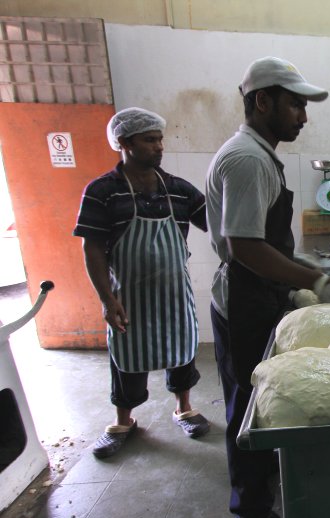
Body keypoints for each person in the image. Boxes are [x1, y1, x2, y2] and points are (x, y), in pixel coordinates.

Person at [205, 56, 330, 518]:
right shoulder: (247, 159)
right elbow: (246, 247)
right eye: (295, 105)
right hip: (244, 298)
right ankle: (251, 511)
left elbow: (264, 240)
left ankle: (266, 480)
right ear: (262, 100)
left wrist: (307, 265)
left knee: (263, 395)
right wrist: (312, 281)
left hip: (261, 292)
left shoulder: (261, 154)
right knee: (248, 409)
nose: (304, 116)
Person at [74, 107, 210, 459]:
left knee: (182, 350)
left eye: (160, 139)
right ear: (123, 143)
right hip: (128, 296)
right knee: (126, 358)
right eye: (150, 140)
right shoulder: (102, 191)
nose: (159, 146)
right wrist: (107, 299)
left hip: (173, 293)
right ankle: (123, 421)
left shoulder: (179, 190)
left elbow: (217, 222)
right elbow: (93, 250)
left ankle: (184, 408)